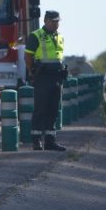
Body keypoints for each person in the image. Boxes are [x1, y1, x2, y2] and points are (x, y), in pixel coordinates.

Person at [25, 10, 67, 151]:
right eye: (54, 21)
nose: (56, 24)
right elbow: (28, 56)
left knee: (53, 110)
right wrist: (32, 72)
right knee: (40, 109)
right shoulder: (36, 35)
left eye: (57, 21)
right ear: (46, 21)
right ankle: (36, 141)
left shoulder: (59, 37)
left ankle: (50, 141)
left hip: (57, 77)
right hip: (42, 77)